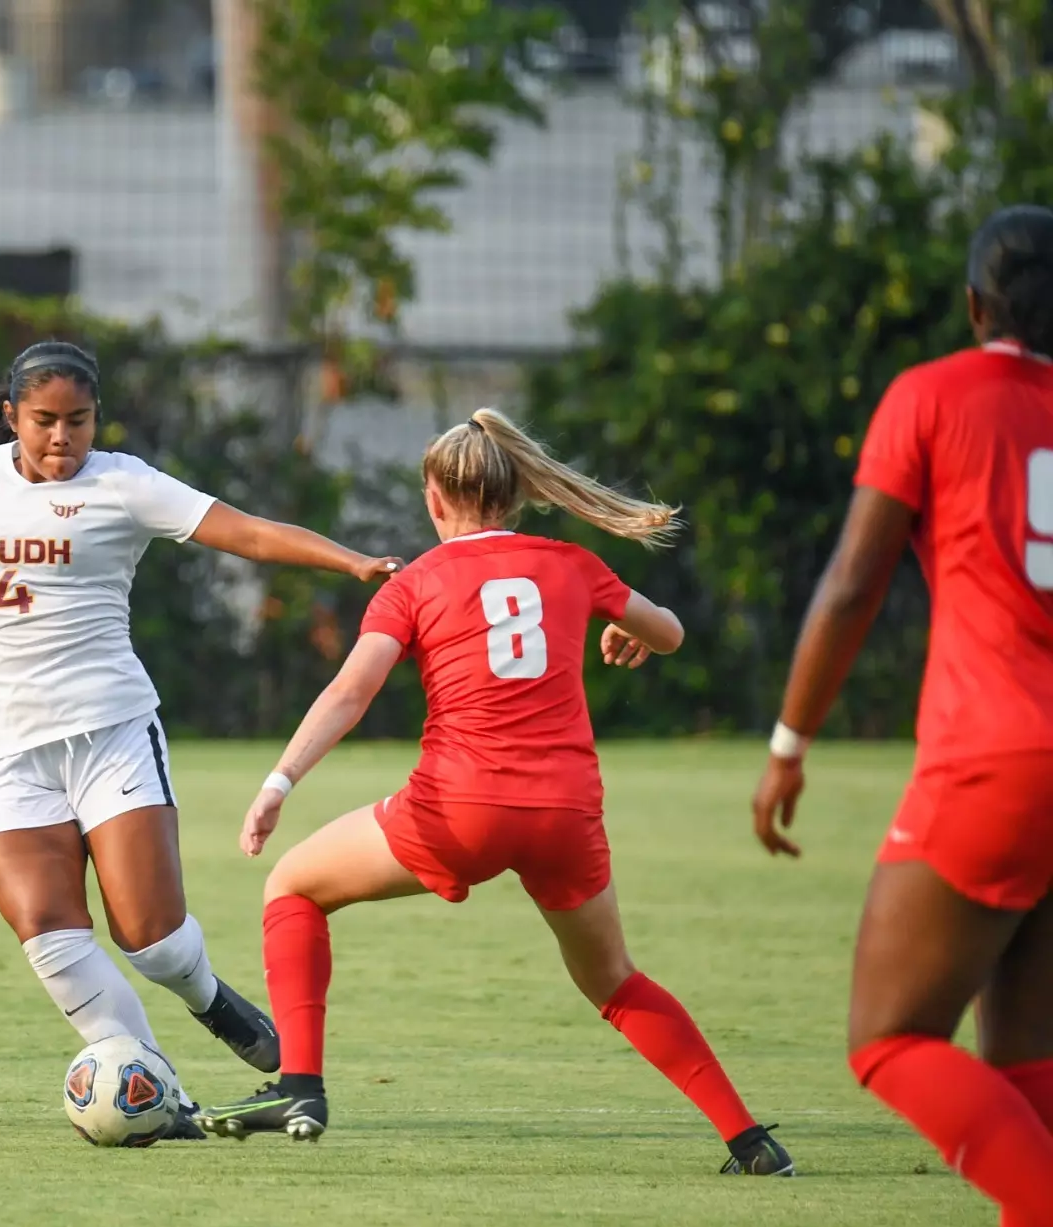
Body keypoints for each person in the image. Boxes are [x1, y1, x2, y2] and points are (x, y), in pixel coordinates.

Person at [199, 409, 793, 1175]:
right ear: (515, 494)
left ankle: (300, 1087)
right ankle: (750, 1140)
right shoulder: (572, 564)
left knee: (293, 886)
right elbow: (671, 631)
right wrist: (635, 631)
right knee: (614, 980)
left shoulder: (416, 582)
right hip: (565, 813)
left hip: (460, 810)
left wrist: (279, 781)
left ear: (433, 498)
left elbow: (351, 692)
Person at [0, 342, 398, 1135]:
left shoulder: (125, 483)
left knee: (150, 940)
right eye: (44, 420)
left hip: (111, 733)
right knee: (50, 933)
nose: (62, 437)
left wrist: (351, 562)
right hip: (0, 749)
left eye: (79, 420)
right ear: (11, 416)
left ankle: (207, 995)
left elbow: (246, 534)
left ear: (98, 418)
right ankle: (165, 1096)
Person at [751, 205, 1053, 1227]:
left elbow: (851, 583)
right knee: (1026, 1082)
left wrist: (789, 743)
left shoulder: (931, 394)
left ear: (974, 305)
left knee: (887, 1038)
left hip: (993, 755)